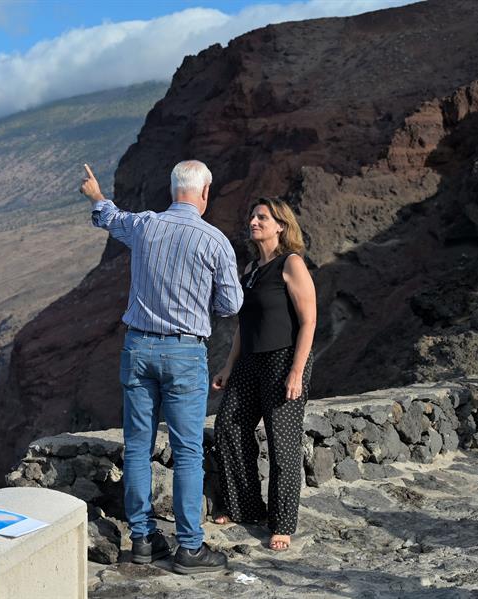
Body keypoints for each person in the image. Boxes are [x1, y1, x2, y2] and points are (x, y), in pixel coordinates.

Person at [80, 160, 242, 574]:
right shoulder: (215, 241)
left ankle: (143, 540)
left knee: (137, 445)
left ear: (173, 190)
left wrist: (97, 195)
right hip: (185, 353)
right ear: (205, 192)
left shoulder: (146, 226)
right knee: (187, 451)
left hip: (138, 348)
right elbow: (231, 305)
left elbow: (110, 218)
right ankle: (189, 547)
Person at [211, 197, 316, 552]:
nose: (253, 221)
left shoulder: (292, 263)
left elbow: (308, 320)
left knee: (281, 440)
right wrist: (228, 365)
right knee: (228, 425)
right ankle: (247, 508)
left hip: (284, 359)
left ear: (280, 226)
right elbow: (245, 324)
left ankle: (282, 523)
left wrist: (296, 371)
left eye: (262, 217)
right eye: (252, 215)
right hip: (250, 361)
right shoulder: (251, 270)